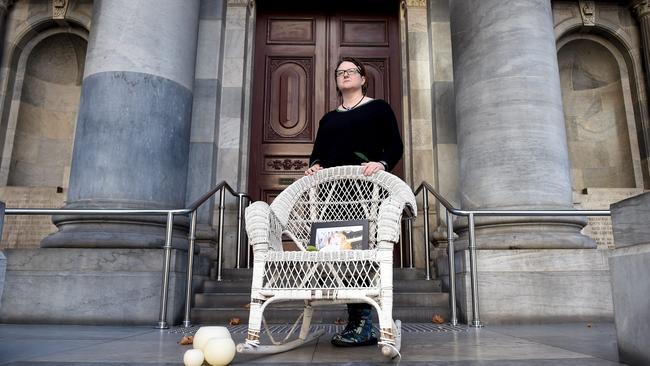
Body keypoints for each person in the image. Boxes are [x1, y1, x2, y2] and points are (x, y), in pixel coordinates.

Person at [304, 57, 403, 347]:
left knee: (364, 256)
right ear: (336, 81)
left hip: (366, 195)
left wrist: (383, 163)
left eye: (351, 71)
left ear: (362, 78)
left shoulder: (379, 108)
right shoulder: (328, 119)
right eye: (340, 72)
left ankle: (366, 323)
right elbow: (318, 154)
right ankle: (357, 321)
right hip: (333, 197)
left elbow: (395, 145)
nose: (345, 75)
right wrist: (315, 166)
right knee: (340, 257)